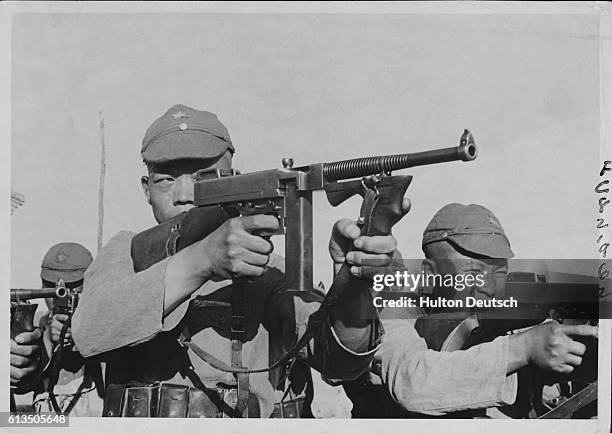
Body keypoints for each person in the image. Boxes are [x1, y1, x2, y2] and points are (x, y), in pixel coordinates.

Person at [72, 104, 403, 418]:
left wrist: (355, 282)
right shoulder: (125, 252)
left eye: (205, 176)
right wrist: (203, 260)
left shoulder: (268, 270)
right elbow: (89, 333)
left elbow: (341, 363)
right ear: (146, 189)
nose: (185, 195)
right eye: (167, 179)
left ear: (234, 178)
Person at [345, 203, 598, 417]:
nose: (488, 287)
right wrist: (522, 348)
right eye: (472, 273)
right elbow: (411, 381)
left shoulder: (500, 319)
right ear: (430, 274)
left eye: (499, 273)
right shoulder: (396, 311)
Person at [31, 242, 104, 416]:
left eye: (72, 285)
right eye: (50, 284)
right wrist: (47, 340)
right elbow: (22, 384)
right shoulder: (35, 324)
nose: (60, 293)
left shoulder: (103, 322)